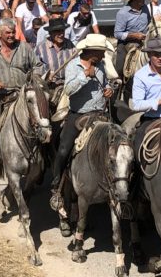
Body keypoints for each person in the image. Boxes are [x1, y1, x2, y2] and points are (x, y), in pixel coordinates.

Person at [47, 33, 114, 200]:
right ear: (91, 51)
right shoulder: (73, 66)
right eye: (101, 52)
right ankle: (56, 183)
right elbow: (68, 90)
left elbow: (105, 84)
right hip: (78, 115)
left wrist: (108, 90)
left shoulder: (101, 66)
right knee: (63, 149)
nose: (103, 55)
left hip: (100, 114)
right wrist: (84, 75)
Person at [0, 19, 44, 174]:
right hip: (0, 98)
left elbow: (38, 66)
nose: (12, 35)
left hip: (22, 96)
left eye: (13, 32)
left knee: (43, 121)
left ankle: (46, 160)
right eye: (8, 32)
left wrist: (34, 77)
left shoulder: (24, 48)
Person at [113, 0, 151, 78]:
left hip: (144, 41)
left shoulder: (145, 8)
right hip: (127, 43)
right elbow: (117, 33)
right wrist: (134, 35)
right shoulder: (123, 13)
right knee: (120, 68)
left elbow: (149, 23)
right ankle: (119, 85)